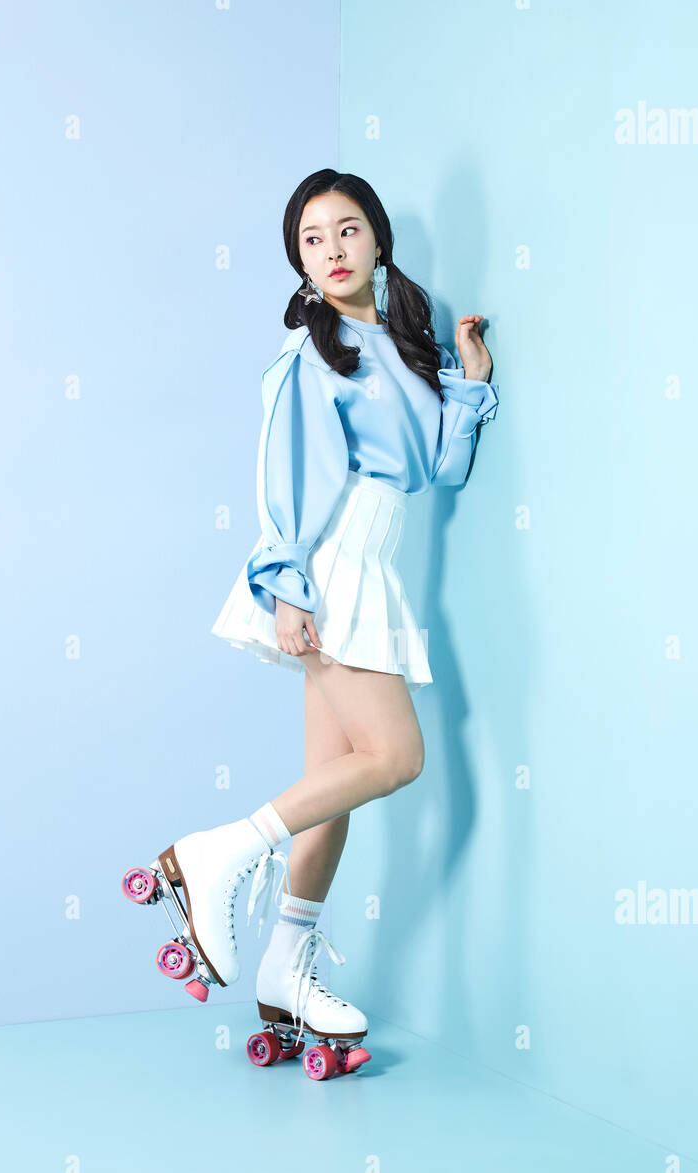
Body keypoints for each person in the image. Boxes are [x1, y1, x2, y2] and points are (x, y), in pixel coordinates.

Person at [125, 169, 498, 1074]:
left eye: (347, 231)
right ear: (298, 263)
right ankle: (214, 856)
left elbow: (439, 475)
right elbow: (285, 478)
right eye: (312, 241)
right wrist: (285, 583)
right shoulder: (311, 360)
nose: (331, 252)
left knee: (331, 783)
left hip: (374, 561)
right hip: (329, 564)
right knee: (395, 761)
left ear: (377, 242)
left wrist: (472, 384)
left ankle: (287, 967)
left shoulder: (407, 347)